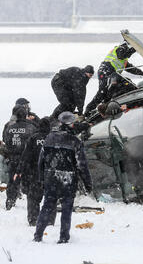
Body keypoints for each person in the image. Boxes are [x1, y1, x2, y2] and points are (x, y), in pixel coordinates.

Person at [34, 112, 92, 244]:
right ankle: (63, 236)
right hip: (68, 179)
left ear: (60, 123)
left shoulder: (49, 138)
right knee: (67, 208)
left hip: (50, 177)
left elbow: (41, 161)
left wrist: (41, 179)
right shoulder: (75, 141)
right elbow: (82, 165)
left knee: (47, 206)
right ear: (71, 124)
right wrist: (88, 184)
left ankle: (38, 235)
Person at [84, 42, 143, 117]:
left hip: (112, 74)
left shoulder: (123, 60)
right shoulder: (121, 49)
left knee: (108, 92)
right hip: (106, 70)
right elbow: (122, 54)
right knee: (103, 92)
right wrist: (134, 49)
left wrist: (142, 73)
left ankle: (105, 106)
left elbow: (132, 69)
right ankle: (89, 110)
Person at [15, 117, 56, 226]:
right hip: (50, 172)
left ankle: (33, 219)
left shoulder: (33, 138)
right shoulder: (54, 138)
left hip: (35, 172)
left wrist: (19, 170)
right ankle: (50, 219)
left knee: (33, 197)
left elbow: (26, 156)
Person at [2, 105, 37, 210]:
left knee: (12, 181)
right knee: (31, 182)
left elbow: (5, 140)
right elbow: (35, 142)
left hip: (13, 158)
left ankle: (10, 201)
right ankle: (32, 205)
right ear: (25, 115)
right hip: (27, 159)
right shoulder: (32, 127)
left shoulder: (9, 127)